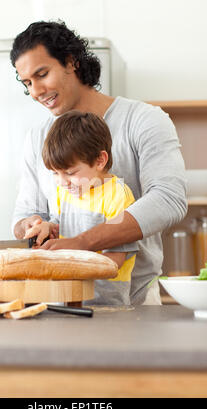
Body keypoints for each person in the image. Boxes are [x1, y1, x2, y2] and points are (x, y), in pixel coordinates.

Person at [10, 21, 187, 305]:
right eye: (27, 83)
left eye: (42, 74)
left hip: (134, 301)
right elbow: (26, 214)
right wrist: (32, 225)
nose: (36, 91)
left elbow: (168, 200)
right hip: (62, 302)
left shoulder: (143, 120)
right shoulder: (37, 137)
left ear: (71, 62)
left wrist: (82, 243)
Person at [24, 110, 139, 305]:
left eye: (70, 172)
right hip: (65, 300)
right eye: (55, 173)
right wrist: (48, 228)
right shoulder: (66, 191)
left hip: (106, 305)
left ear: (100, 160)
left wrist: (65, 260)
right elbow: (61, 225)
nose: (62, 182)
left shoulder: (118, 196)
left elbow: (115, 261)